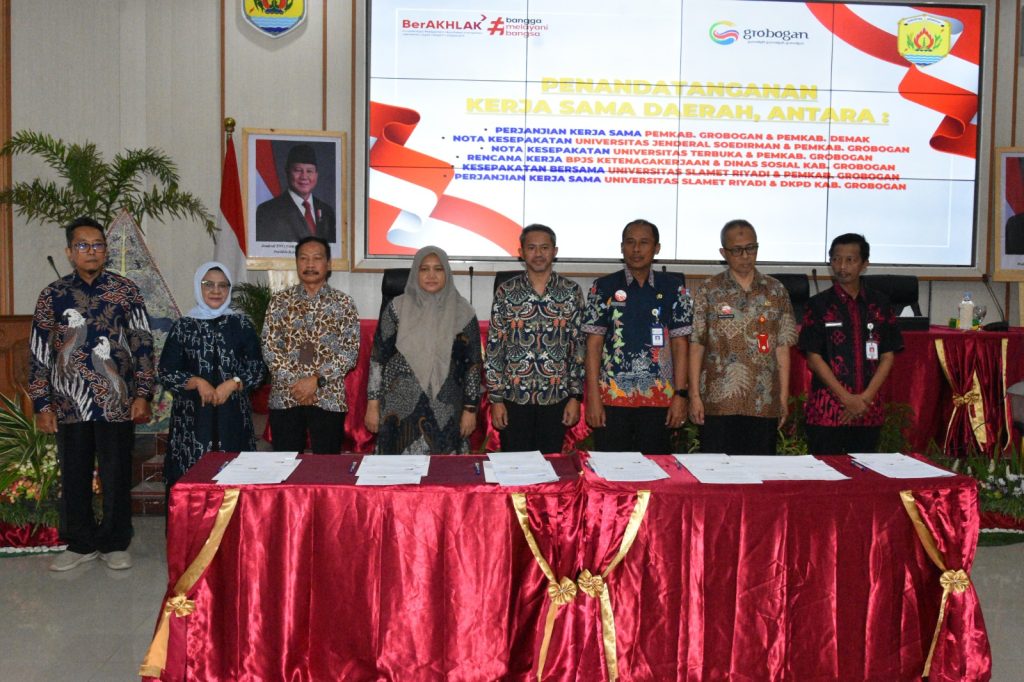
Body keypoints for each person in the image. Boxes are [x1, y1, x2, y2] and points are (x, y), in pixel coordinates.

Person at [29, 217, 155, 572]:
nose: (91, 251)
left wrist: (142, 393)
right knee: (74, 473)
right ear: (69, 252)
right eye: (82, 245)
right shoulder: (52, 296)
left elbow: (143, 343)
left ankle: (115, 542)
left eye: (97, 244)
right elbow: (39, 352)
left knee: (116, 474)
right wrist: (42, 404)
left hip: (116, 401)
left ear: (106, 250)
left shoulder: (125, 291)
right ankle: (80, 543)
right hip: (69, 402)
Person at [582, 219, 693, 454]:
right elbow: (593, 345)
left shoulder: (674, 288)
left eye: (644, 243)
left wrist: (681, 395)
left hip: (660, 398)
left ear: (657, 248)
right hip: (612, 398)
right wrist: (593, 397)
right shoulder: (603, 287)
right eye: (630, 242)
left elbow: (680, 345)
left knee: (656, 467)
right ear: (621, 247)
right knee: (612, 468)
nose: (636, 249)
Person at [688, 220, 797, 454]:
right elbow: (697, 345)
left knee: (760, 472)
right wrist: (694, 396)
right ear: (723, 253)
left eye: (751, 248)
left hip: (763, 401)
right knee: (717, 471)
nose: (745, 256)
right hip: (718, 403)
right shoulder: (709, 290)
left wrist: (783, 397)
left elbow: (782, 348)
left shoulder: (776, 290)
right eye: (737, 250)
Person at [365, 246, 482, 454]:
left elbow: (472, 365)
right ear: (415, 273)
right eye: (424, 269)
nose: (431, 275)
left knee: (445, 471)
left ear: (447, 273)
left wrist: (470, 409)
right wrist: (373, 404)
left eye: (438, 269)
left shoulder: (464, 312)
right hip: (399, 408)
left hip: (446, 408)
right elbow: (378, 359)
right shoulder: (396, 308)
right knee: (397, 472)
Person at [158, 262, 266, 488]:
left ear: (229, 289)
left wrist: (234, 383)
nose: (216, 291)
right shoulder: (183, 327)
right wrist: (196, 382)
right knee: (192, 482)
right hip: (193, 421)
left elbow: (258, 368)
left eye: (222, 285)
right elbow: (166, 372)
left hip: (233, 417)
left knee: (235, 482)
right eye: (208, 284)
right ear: (199, 287)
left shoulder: (241, 324)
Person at [798, 233, 904, 454]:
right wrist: (846, 398)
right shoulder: (818, 305)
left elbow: (887, 356)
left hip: (868, 409)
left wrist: (864, 399)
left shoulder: (880, 304)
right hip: (828, 410)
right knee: (825, 471)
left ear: (865, 264)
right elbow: (813, 358)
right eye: (836, 259)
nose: (842, 266)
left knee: (863, 471)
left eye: (850, 260)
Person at [485, 224, 584, 453]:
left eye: (544, 248)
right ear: (521, 252)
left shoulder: (571, 291)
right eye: (531, 248)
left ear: (555, 251)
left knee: (551, 465)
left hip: (556, 397)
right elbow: (494, 347)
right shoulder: (506, 291)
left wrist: (575, 396)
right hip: (514, 397)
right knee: (515, 467)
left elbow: (578, 347)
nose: (538, 253)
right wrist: (496, 399)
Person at [262, 236, 359, 453]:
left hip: (328, 396)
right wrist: (297, 384)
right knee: (285, 465)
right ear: (297, 263)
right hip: (286, 395)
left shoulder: (344, 303)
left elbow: (349, 352)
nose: (310, 264)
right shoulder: (279, 302)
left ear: (328, 264)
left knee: (325, 466)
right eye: (304, 258)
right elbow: (269, 348)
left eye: (317, 258)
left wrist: (316, 380)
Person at [255, 143, 337, 243]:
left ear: (316, 175)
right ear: (287, 172)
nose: (304, 177)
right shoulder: (268, 211)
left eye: (309, 171)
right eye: (298, 170)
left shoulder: (327, 212)